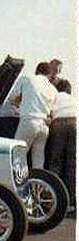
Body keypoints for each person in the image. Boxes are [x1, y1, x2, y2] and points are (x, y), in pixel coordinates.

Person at [11, 62, 57, 169]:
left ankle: (18, 183)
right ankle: (38, 183)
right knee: (38, 159)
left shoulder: (27, 78)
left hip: (29, 121)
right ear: (49, 75)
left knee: (17, 155)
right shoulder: (53, 89)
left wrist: (20, 104)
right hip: (44, 126)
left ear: (36, 70)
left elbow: (13, 98)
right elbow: (52, 111)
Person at [45, 79, 76, 209]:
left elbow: (47, 114)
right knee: (71, 164)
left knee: (55, 161)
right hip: (75, 122)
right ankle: (71, 201)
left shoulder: (54, 96)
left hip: (58, 123)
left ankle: (53, 200)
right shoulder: (73, 99)